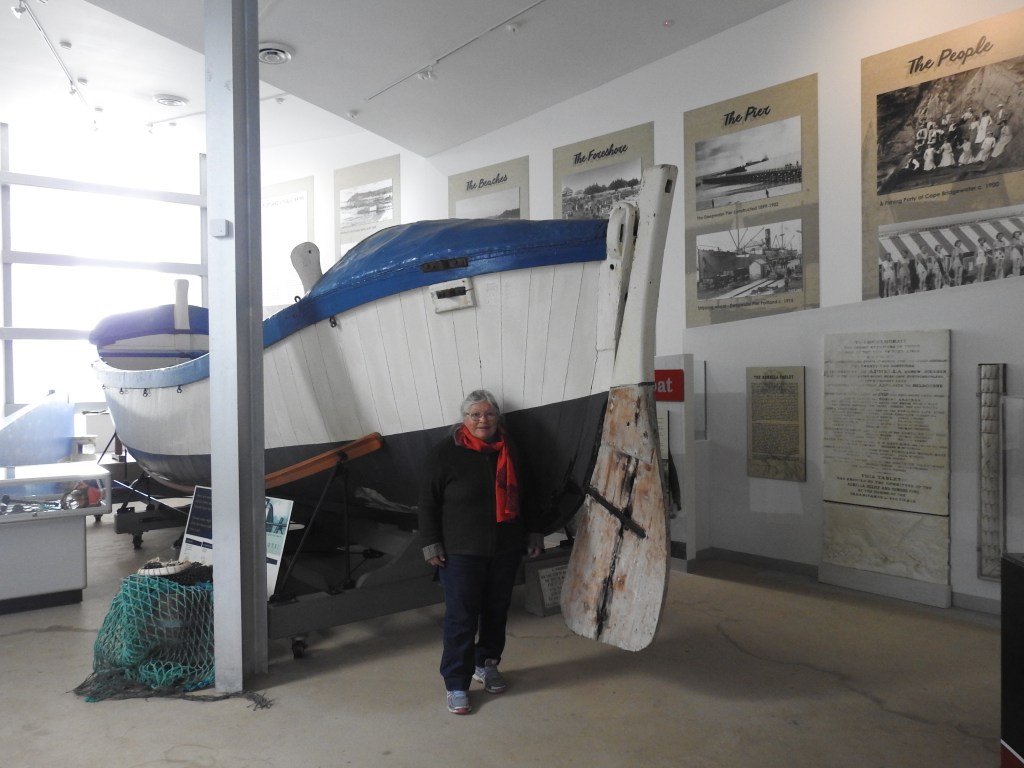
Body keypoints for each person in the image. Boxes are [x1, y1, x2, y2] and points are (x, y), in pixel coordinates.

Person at [418, 389, 544, 715]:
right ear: (464, 419)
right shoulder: (445, 454)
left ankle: (486, 663)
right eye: (475, 415)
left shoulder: (511, 448)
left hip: (505, 547)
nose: (482, 420)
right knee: (461, 617)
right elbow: (427, 502)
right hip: (460, 551)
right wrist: (431, 542)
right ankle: (456, 683)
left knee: (496, 611)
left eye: (488, 414)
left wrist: (533, 531)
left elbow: (530, 493)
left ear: (497, 417)